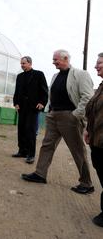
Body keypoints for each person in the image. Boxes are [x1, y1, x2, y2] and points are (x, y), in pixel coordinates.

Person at [21, 49, 94, 194]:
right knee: (47, 145)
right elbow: (51, 94)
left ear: (65, 58)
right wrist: (50, 110)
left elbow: (87, 97)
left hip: (69, 116)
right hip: (53, 115)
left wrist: (75, 115)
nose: (53, 62)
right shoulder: (55, 76)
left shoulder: (80, 74)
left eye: (56, 60)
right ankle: (40, 174)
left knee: (78, 150)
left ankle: (86, 183)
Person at [12, 56, 48, 164]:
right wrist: (16, 103)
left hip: (33, 107)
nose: (22, 65)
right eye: (21, 64)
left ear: (30, 63)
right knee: (21, 129)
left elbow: (44, 90)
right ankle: (22, 151)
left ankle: (31, 154)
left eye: (24, 63)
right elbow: (17, 91)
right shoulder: (20, 76)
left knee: (30, 131)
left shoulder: (38, 74)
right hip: (21, 106)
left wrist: (42, 102)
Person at [84, 53, 103, 227]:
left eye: (99, 63)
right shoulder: (101, 87)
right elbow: (93, 111)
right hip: (97, 141)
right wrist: (88, 130)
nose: (96, 66)